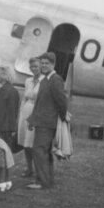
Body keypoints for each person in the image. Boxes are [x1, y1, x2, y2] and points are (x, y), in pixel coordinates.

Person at [27, 52, 68, 190]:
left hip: (48, 123)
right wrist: (32, 120)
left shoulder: (55, 80)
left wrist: (61, 119)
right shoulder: (45, 79)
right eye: (42, 63)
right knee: (44, 151)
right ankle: (46, 180)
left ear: (53, 64)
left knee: (39, 151)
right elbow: (40, 103)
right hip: (41, 121)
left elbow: (62, 102)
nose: (44, 66)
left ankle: (43, 182)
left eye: (47, 63)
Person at [0, 65, 20, 187]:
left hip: (0, 127)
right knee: (6, 155)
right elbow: (14, 112)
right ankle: (6, 181)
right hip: (9, 127)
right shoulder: (14, 91)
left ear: (5, 76)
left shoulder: (3, 91)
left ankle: (0, 182)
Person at [17, 57, 44, 177]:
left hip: (36, 112)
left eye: (36, 66)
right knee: (25, 143)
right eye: (32, 67)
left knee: (33, 143)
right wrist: (21, 113)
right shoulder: (28, 81)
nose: (34, 69)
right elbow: (24, 98)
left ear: (41, 67)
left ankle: (39, 170)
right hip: (26, 111)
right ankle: (29, 168)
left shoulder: (45, 81)